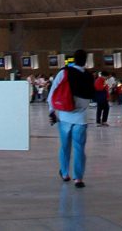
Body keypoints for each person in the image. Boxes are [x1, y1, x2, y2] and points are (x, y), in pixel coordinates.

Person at [47, 49, 95, 188]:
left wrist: (51, 111)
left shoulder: (64, 72)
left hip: (64, 116)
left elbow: (53, 91)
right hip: (81, 117)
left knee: (64, 147)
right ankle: (78, 178)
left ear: (73, 59)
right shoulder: (88, 76)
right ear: (86, 61)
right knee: (79, 148)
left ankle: (65, 173)